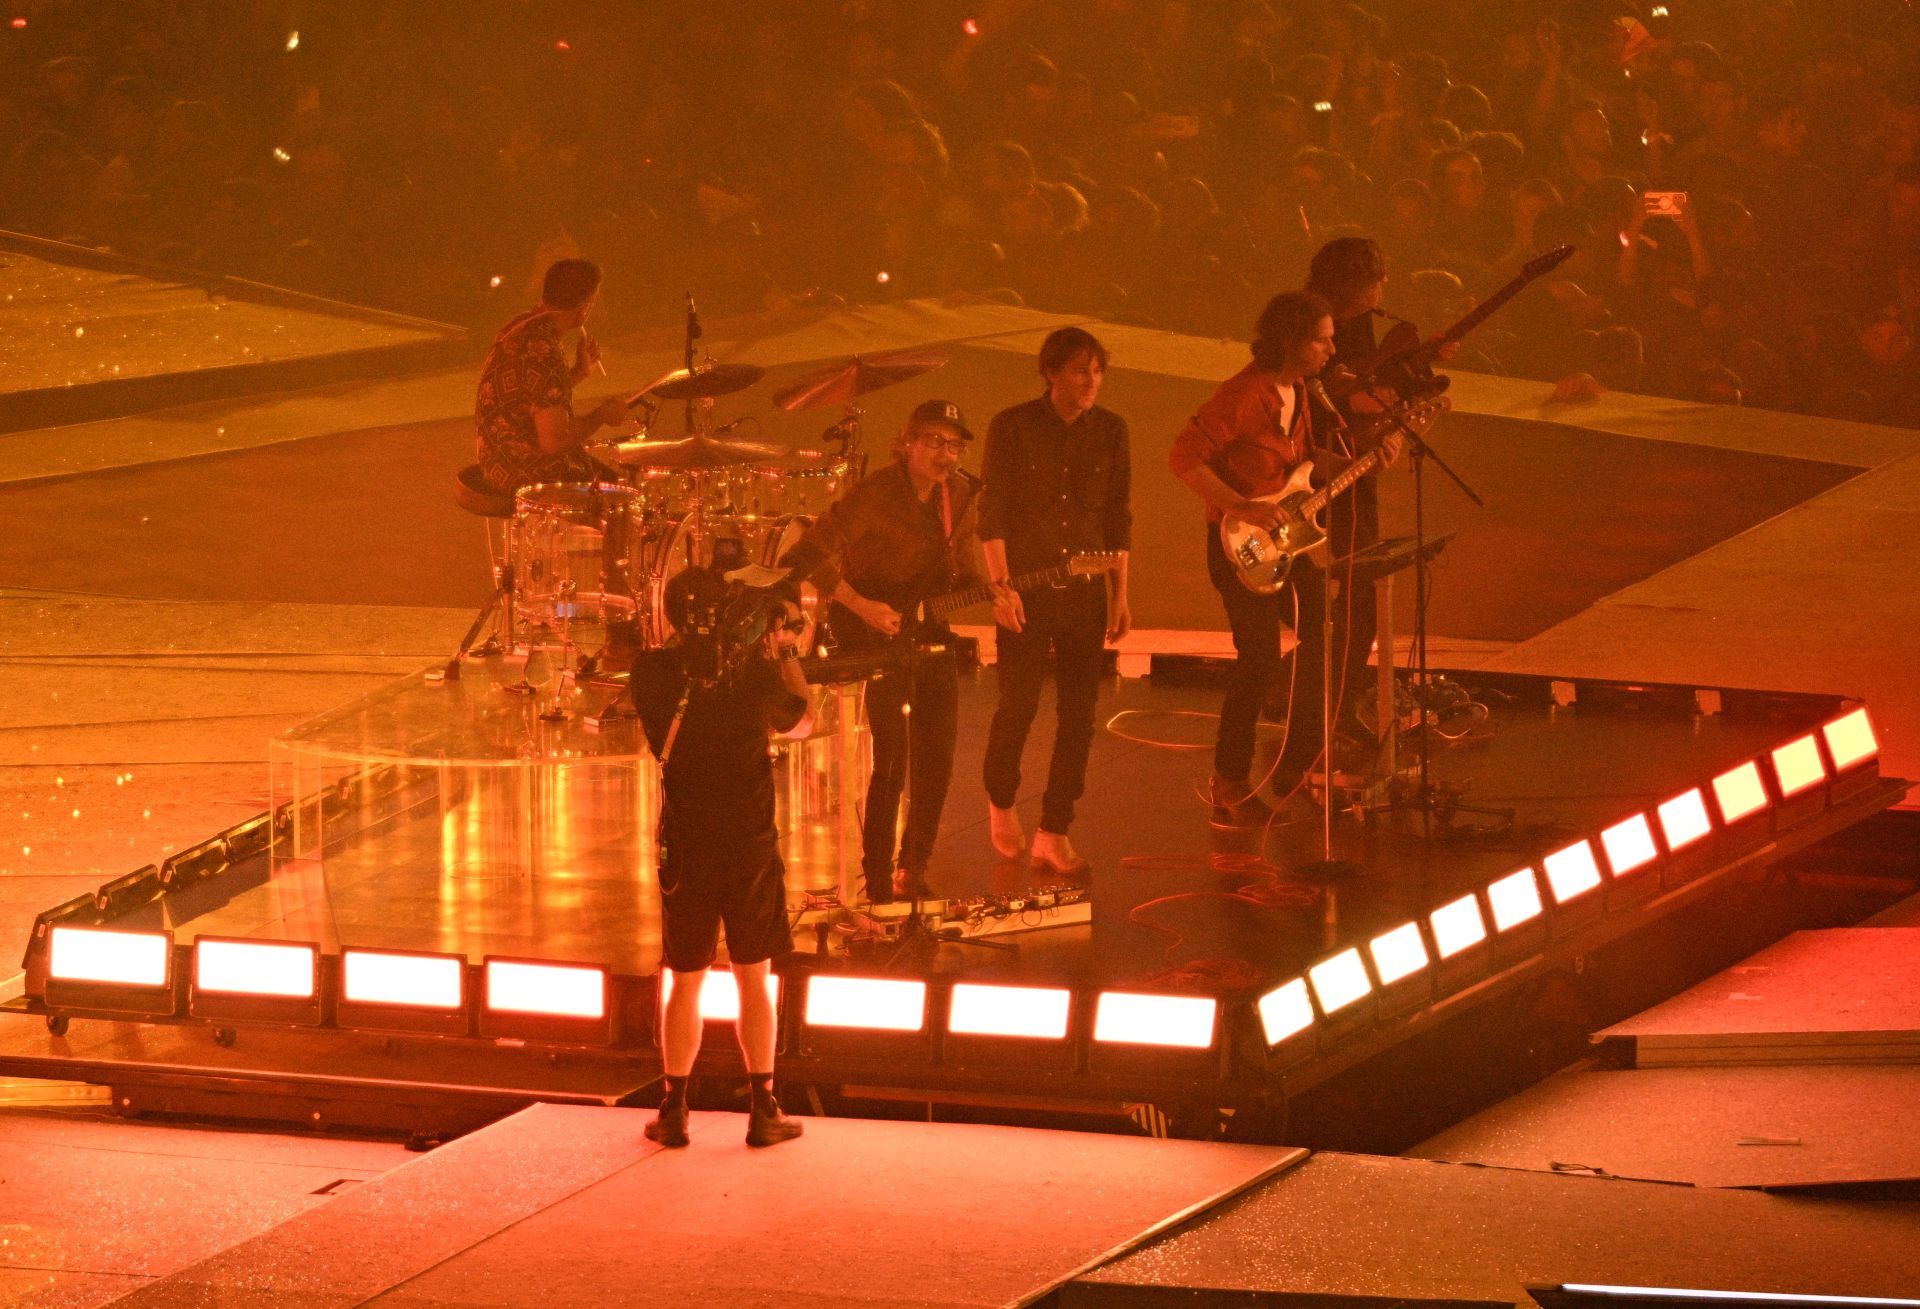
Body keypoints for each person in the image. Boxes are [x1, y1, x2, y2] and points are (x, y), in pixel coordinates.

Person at [1169, 291, 1401, 826]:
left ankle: (1295, 769)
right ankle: (1229, 781)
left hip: (1288, 540)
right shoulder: (1243, 395)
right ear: (1291, 341)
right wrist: (1241, 505)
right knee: (1257, 657)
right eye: (1321, 338)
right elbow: (1183, 455)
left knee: (1324, 637)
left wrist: (1359, 461)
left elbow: (1298, 466)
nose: (1331, 347)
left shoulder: (1300, 389)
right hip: (1237, 544)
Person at [632, 569, 814, 1150]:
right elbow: (804, 722)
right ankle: (764, 1107)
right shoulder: (758, 676)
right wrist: (784, 650)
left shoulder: (651, 671)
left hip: (686, 846)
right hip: (749, 845)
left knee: (683, 981)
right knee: (753, 977)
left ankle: (675, 1109)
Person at [779, 400, 983, 903]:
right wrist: (860, 604)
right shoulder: (875, 493)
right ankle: (876, 876)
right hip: (871, 628)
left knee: (938, 753)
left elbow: (963, 568)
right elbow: (803, 554)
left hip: (929, 628)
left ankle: (915, 866)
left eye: (954, 444)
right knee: (891, 756)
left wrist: (1000, 589)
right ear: (908, 442)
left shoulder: (959, 493)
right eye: (934, 441)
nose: (945, 454)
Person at [978, 327, 1132, 876]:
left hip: (1086, 594)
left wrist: (1120, 593)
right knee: (1017, 705)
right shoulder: (1013, 426)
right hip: (1025, 589)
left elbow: (1117, 516)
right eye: (1078, 370)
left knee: (1080, 716)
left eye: (1097, 371)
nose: (1090, 381)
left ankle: (1054, 829)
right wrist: (1001, 589)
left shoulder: (1112, 430)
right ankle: (1000, 800)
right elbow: (991, 514)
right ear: (1050, 373)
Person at [474, 257, 629, 495]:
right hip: (522, 472)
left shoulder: (519, 325)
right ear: (584, 307)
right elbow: (554, 442)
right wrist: (601, 416)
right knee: (618, 494)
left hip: (495, 460)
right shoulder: (546, 354)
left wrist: (578, 372)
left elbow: (532, 396)